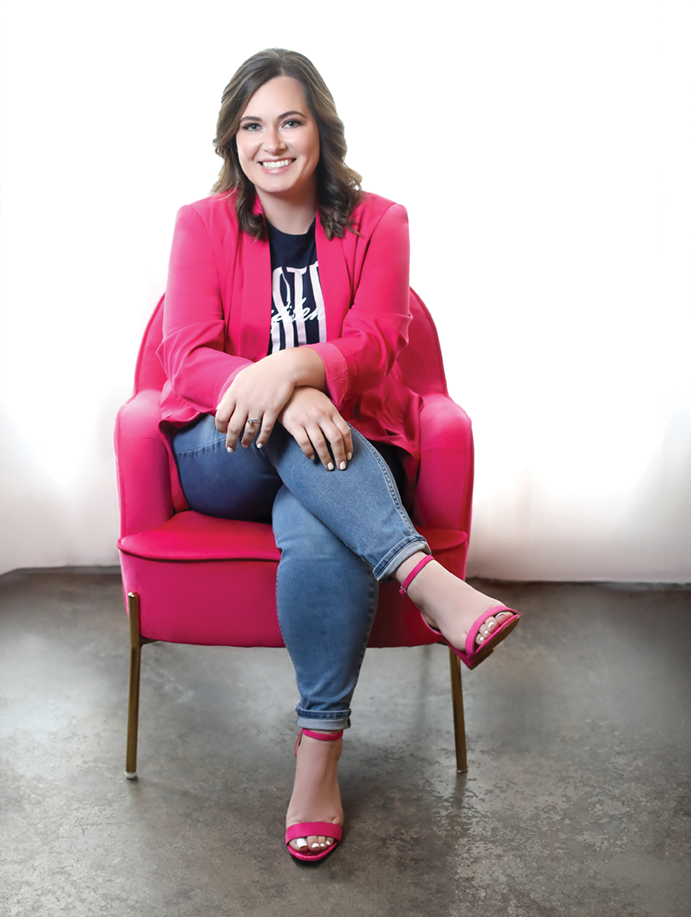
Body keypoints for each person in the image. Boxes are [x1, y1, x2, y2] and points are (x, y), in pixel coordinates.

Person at [158, 48, 520, 863]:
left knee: (320, 532)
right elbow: (185, 354)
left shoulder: (378, 220)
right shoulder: (201, 224)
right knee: (294, 430)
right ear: (232, 139)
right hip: (225, 450)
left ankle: (316, 756)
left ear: (320, 128)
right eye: (251, 126)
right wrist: (287, 389)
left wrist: (299, 365)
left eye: (289, 120)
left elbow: (377, 341)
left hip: (342, 457)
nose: (271, 142)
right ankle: (427, 580)